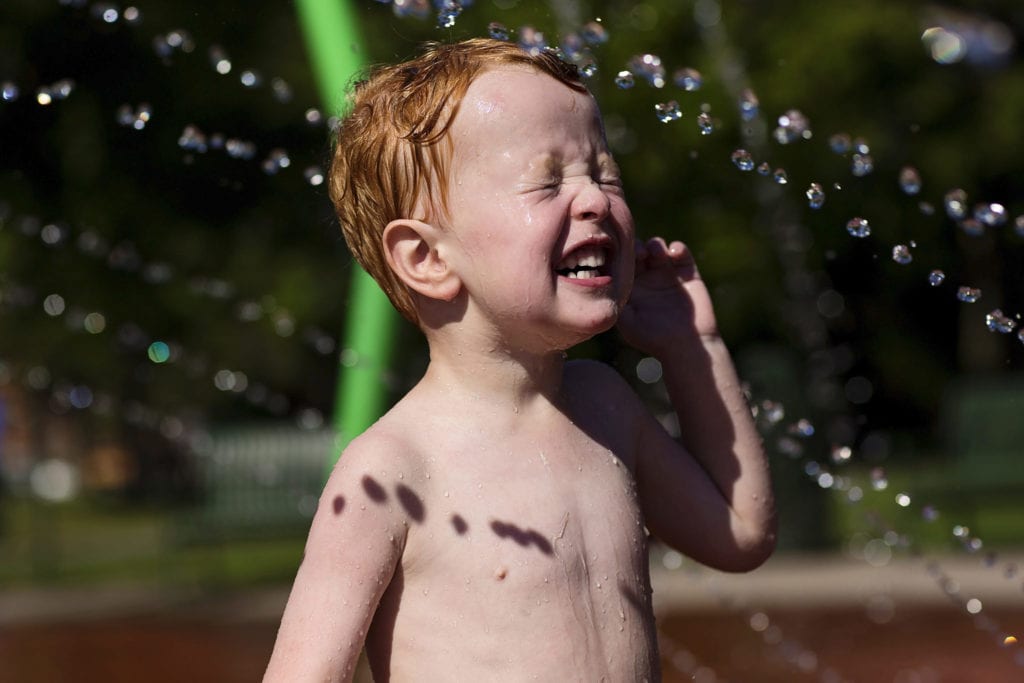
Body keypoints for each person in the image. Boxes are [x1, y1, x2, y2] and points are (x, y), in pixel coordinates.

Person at [264, 38, 776, 682]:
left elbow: (739, 536)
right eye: (548, 180)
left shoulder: (603, 407)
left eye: (604, 174)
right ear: (428, 258)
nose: (594, 200)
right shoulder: (393, 470)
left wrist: (692, 349)